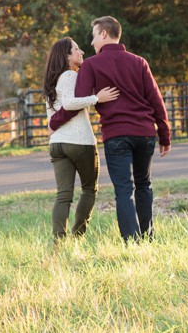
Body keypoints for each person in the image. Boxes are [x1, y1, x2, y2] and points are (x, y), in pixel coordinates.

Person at [74, 16, 171, 241]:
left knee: (124, 190)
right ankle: (148, 236)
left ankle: (132, 241)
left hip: (117, 134)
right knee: (144, 184)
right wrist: (164, 136)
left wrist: (95, 97)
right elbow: (156, 101)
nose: (91, 43)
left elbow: (80, 99)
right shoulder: (139, 62)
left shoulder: (91, 64)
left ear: (104, 34)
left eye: (94, 36)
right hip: (145, 133)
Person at [42, 37, 119, 241]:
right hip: (79, 142)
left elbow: (56, 112)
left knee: (63, 195)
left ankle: (58, 241)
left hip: (57, 144)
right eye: (76, 49)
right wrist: (97, 98)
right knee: (89, 189)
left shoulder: (52, 81)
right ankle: (77, 237)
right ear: (67, 56)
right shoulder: (69, 75)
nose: (82, 52)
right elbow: (69, 104)